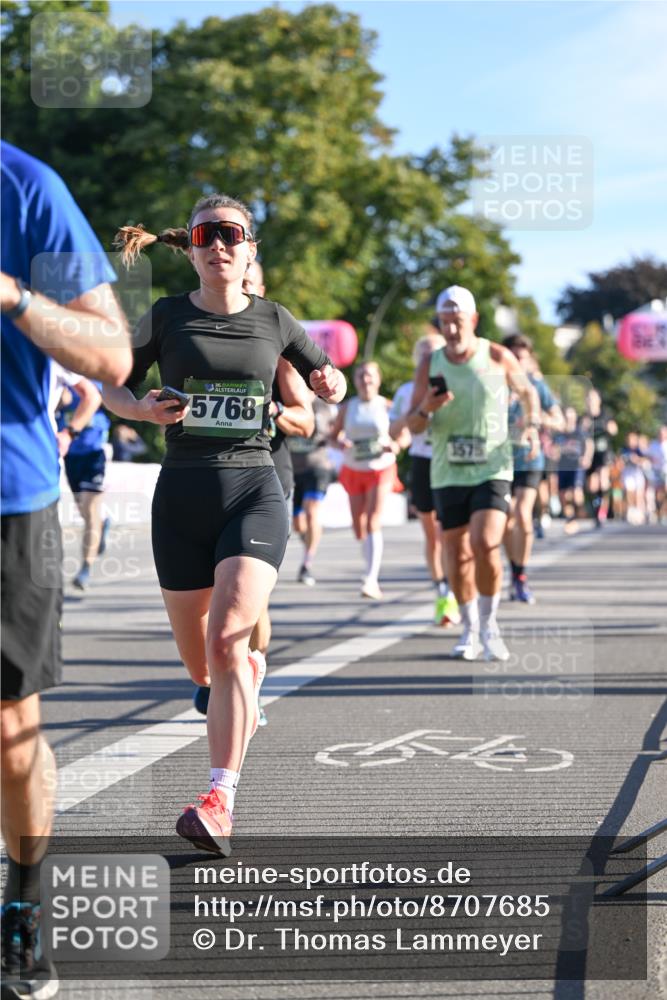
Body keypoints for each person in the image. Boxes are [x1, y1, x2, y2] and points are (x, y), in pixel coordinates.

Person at [104, 194, 345, 857]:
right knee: (202, 665)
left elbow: (328, 378)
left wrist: (331, 385)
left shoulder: (274, 318)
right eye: (206, 235)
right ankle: (228, 685)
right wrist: (141, 413)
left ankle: (220, 799)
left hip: (253, 489)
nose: (218, 245)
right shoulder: (168, 316)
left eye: (230, 235)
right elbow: (111, 385)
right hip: (180, 496)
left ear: (249, 249)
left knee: (229, 637)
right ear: (191, 247)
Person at [1, 141, 132, 1000]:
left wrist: (11, 297)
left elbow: (112, 354)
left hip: (8, 499)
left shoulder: (26, 190)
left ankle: (24, 904)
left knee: (11, 743)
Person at [192, 259, 314, 716]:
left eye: (248, 283)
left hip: (265, 481)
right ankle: (222, 669)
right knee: (205, 591)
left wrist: (272, 412)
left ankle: (244, 673)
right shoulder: (196, 335)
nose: (238, 288)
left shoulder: (277, 348)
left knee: (248, 598)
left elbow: (307, 418)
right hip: (204, 479)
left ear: (260, 289)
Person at [407, 286, 540, 662]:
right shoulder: (430, 364)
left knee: (484, 542)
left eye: (458, 322)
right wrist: (427, 408)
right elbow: (413, 425)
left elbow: (528, 393)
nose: (451, 330)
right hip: (448, 470)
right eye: (445, 322)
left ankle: (491, 625)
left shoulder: (497, 355)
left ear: (474, 320)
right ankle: (469, 628)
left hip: (493, 465)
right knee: (456, 551)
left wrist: (529, 426)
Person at [389, 331, 460, 626]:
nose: (430, 361)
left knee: (450, 534)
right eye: (425, 355)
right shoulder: (407, 390)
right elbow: (394, 432)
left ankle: (455, 593)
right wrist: (414, 414)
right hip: (422, 462)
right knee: (432, 535)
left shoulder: (456, 386)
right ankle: (441, 590)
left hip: (451, 462)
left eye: (435, 354)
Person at [330, 360, 401, 601]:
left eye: (370, 375)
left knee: (372, 521)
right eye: (361, 376)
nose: (365, 380)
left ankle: (371, 579)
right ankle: (369, 563)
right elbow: (332, 437)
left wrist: (396, 445)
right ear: (355, 380)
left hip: (380, 467)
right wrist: (340, 443)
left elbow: (405, 432)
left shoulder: (387, 406)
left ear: (378, 379)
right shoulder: (348, 407)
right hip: (354, 467)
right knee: (359, 526)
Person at [502, 333, 563, 604]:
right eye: (512, 355)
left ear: (528, 359)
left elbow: (560, 420)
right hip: (499, 460)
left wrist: (536, 421)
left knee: (521, 512)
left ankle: (521, 576)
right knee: (505, 520)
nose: (517, 360)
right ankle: (514, 571)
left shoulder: (537, 386)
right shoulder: (493, 385)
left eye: (521, 356)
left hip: (529, 459)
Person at [55, 374, 112, 589]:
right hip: (70, 453)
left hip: (93, 451)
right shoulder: (60, 370)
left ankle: (85, 569)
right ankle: (103, 522)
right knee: (85, 511)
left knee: (89, 510)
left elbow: (108, 399)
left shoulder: (94, 375)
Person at [290, 395, 338, 586]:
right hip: (293, 469)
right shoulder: (288, 398)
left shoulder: (324, 405)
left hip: (318, 466)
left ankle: (306, 564)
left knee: (312, 511)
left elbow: (337, 429)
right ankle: (310, 538)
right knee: (298, 524)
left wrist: (339, 440)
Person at [553, 407, 594, 532]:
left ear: (575, 418)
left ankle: (575, 517)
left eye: (571, 416)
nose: (568, 419)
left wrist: (587, 457)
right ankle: (569, 517)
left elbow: (589, 444)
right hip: (563, 466)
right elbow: (554, 448)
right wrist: (555, 453)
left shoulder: (580, 432)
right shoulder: (559, 434)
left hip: (576, 466)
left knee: (576, 493)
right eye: (566, 416)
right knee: (562, 495)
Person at [584, 387, 618, 529]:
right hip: (590, 454)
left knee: (602, 480)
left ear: (598, 400)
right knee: (592, 485)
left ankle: (602, 514)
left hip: (603, 452)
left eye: (593, 398)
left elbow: (614, 429)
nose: (590, 401)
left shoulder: (605, 414)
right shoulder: (585, 418)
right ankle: (597, 509)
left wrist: (608, 427)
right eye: (588, 398)